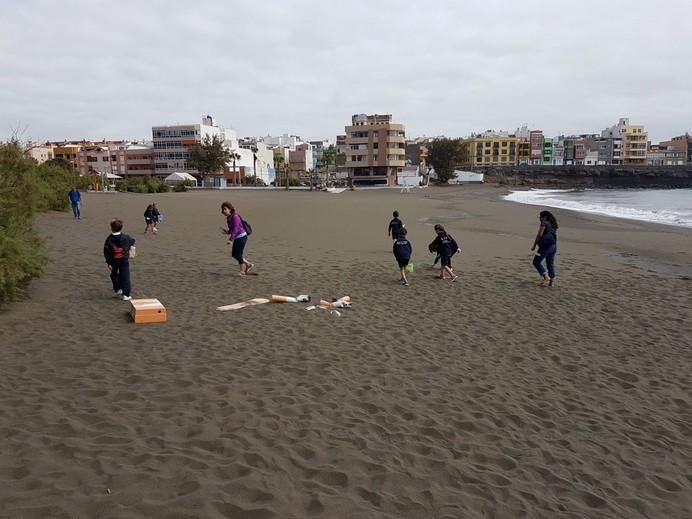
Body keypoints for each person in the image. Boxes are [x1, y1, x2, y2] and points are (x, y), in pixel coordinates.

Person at [103, 218, 136, 301]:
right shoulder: (126, 237)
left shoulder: (109, 239)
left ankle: (118, 289)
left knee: (114, 275)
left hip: (114, 261)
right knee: (125, 276)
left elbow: (106, 252)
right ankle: (126, 294)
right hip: (124, 260)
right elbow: (132, 241)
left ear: (111, 228)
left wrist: (108, 262)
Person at [220, 201, 254, 276]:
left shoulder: (235, 217)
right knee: (234, 254)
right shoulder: (229, 218)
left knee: (238, 254)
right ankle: (248, 264)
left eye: (225, 209)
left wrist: (231, 239)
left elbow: (236, 229)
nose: (223, 211)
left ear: (230, 209)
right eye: (222, 209)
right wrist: (227, 232)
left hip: (241, 237)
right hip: (237, 237)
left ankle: (242, 271)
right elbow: (232, 229)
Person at [531, 210, 558, 286]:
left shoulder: (544, 223)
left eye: (540, 216)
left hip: (545, 247)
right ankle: (551, 282)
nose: (539, 218)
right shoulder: (553, 224)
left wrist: (534, 245)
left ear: (544, 217)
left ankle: (545, 277)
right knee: (550, 263)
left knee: (536, 262)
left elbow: (539, 235)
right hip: (553, 246)